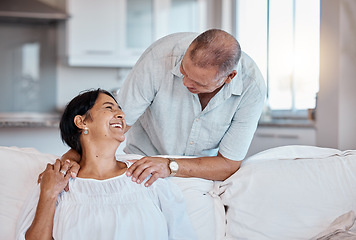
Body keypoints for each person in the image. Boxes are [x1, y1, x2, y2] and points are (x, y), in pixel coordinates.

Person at [62, 29, 266, 187]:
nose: (185, 83)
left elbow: (228, 164)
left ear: (229, 78)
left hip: (201, 175)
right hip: (140, 165)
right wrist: (71, 158)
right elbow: (117, 125)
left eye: (198, 83)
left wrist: (169, 165)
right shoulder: (158, 59)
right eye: (184, 71)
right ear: (188, 51)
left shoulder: (252, 88)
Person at [17, 89, 197, 240]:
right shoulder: (55, 183)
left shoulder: (146, 176)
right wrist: (49, 194)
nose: (121, 115)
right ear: (82, 122)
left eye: (119, 110)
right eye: (109, 108)